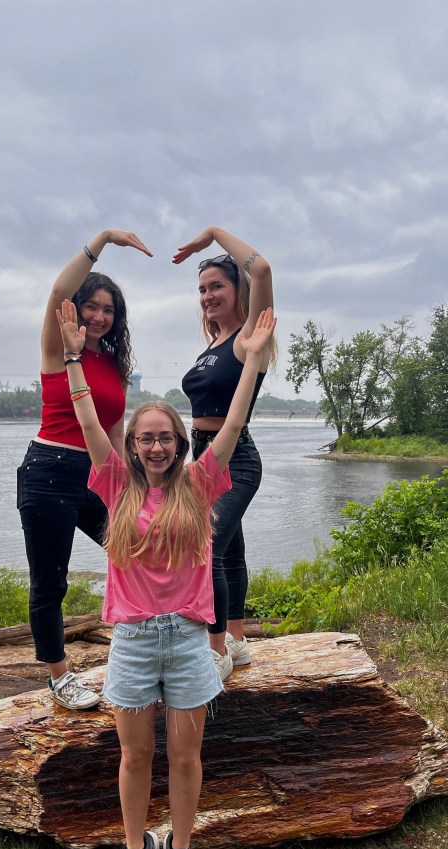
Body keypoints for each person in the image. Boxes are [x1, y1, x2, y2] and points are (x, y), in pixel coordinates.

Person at [56, 296, 276, 849]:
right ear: (133, 446)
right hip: (131, 641)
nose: (156, 447)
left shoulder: (201, 484)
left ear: (180, 443)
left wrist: (252, 363)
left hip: (186, 641)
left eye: (166, 438)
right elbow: (88, 424)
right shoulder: (114, 483)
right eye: (146, 439)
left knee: (184, 758)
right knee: (134, 758)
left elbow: (232, 427)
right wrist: (73, 359)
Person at [17, 230, 152, 711]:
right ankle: (59, 676)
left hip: (99, 477)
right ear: (76, 308)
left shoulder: (115, 364)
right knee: (50, 581)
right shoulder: (59, 346)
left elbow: (114, 430)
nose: (98, 316)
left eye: (107, 310)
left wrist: (131, 486)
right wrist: (104, 240)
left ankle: (146, 647)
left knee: (138, 553)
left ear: (117, 318)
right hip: (49, 470)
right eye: (91, 306)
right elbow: (58, 290)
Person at [176, 227, 275, 682]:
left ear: (239, 291)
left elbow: (262, 269)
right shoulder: (213, 344)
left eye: (216, 286)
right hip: (201, 457)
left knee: (207, 547)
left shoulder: (249, 336)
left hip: (236, 458)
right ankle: (236, 638)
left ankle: (216, 650)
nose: (207, 296)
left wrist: (214, 233)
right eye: (202, 289)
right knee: (230, 551)